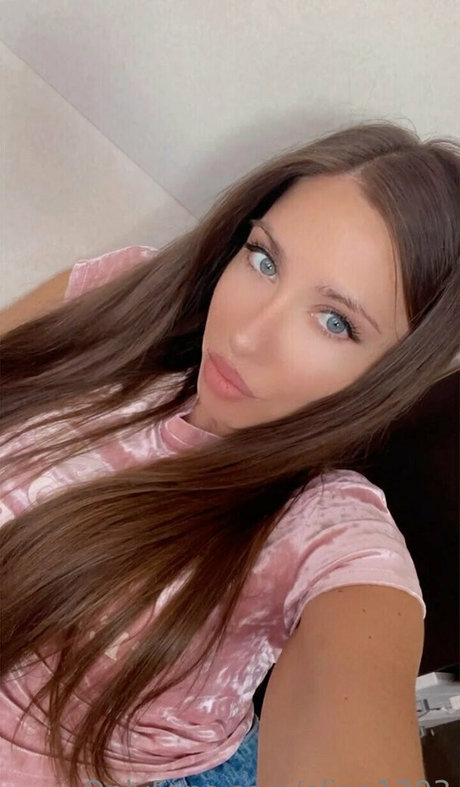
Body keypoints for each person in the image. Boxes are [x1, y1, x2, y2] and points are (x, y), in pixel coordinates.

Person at [0, 121, 458, 787]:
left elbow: (355, 689)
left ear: (390, 374)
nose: (247, 334)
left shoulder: (324, 530)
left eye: (335, 322)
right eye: (265, 260)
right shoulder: (127, 302)